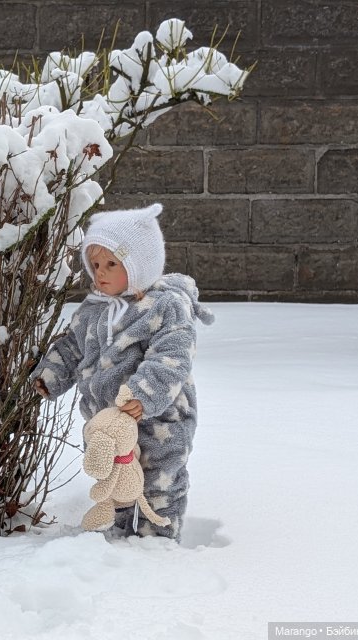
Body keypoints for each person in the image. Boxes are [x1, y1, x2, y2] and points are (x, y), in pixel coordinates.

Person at [31, 203, 213, 542]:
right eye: (95, 264)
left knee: (160, 479)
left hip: (161, 421)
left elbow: (171, 355)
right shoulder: (92, 310)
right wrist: (52, 375)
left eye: (111, 264)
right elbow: (73, 347)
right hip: (110, 421)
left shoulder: (164, 307)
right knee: (116, 476)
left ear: (139, 266)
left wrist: (143, 395)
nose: (100, 273)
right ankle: (115, 533)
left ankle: (156, 538)